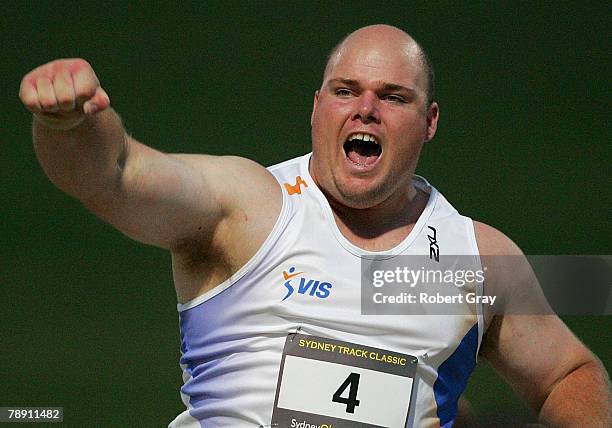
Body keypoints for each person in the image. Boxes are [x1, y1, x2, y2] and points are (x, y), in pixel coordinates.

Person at [19, 25, 611, 427]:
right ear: (317, 106)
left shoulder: (470, 259)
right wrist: (70, 127)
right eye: (345, 91)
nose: (365, 109)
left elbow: (570, 373)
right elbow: (115, 174)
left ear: (429, 122)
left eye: (393, 97)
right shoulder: (250, 209)